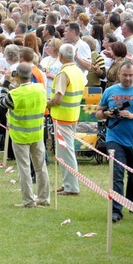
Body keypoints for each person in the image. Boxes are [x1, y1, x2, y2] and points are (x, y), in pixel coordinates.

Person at [96, 61, 133, 222]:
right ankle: (116, 210)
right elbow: (98, 113)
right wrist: (108, 114)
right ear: (118, 75)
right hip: (114, 138)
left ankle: (132, 203)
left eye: (131, 75)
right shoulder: (110, 91)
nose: (128, 78)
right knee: (116, 174)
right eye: (125, 75)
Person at [0, 62, 50, 207]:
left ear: (17, 75)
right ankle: (44, 198)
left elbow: (2, 102)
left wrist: (6, 83)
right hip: (37, 133)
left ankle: (28, 200)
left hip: (20, 135)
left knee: (24, 168)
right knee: (40, 167)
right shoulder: (40, 89)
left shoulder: (15, 94)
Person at [49, 43, 87, 196]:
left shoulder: (63, 74)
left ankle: (71, 186)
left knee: (66, 153)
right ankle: (68, 184)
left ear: (60, 56)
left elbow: (58, 97)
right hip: (72, 115)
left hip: (63, 116)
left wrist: (47, 102)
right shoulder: (77, 71)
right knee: (66, 152)